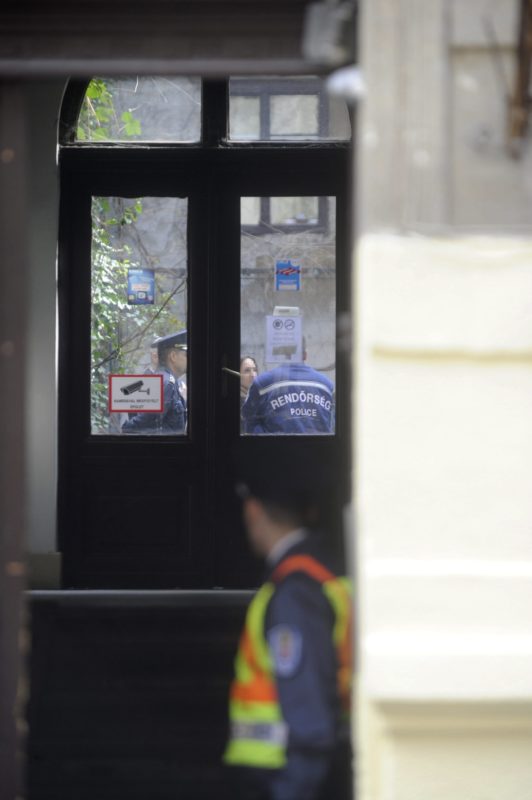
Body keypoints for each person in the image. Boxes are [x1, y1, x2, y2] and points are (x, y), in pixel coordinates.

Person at [224, 450, 353, 800]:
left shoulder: (297, 591)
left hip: (284, 775)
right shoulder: (327, 576)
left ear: (253, 510)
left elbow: (309, 715)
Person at [241, 344, 334, 435]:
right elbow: (333, 425)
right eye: (247, 370)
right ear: (305, 355)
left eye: (254, 369)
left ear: (281, 355)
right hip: (319, 445)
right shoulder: (327, 386)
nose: (252, 374)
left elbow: (248, 419)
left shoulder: (262, 384)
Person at [121, 331, 187, 434]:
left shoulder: (171, 381)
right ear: (173, 356)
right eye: (186, 355)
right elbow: (146, 421)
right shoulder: (166, 382)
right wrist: (126, 429)